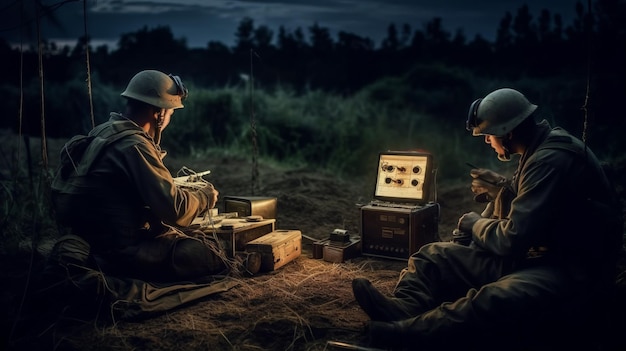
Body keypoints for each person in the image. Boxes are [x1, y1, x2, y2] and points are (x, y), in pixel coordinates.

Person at [352, 88, 623, 350]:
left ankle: (404, 333)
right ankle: (402, 308)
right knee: (433, 256)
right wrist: (503, 189)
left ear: (508, 133)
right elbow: (539, 210)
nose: (486, 141)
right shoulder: (538, 148)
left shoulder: (549, 160)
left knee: (491, 299)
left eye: (489, 135)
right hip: (535, 255)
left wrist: (474, 223)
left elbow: (512, 239)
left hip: (569, 269)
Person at [50, 69, 227, 282]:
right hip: (117, 251)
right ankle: (106, 267)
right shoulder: (134, 146)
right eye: (171, 112)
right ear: (159, 113)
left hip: (89, 237)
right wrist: (205, 196)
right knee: (212, 252)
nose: (170, 117)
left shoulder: (102, 133)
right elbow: (175, 210)